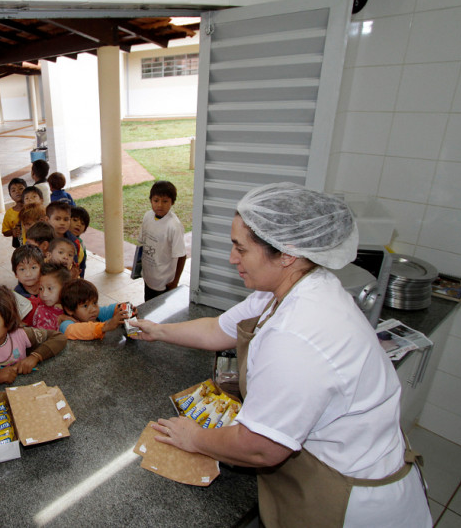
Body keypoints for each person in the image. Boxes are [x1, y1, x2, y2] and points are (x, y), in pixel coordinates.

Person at [131, 182, 431, 527]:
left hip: (350, 499)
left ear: (287, 253)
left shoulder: (298, 335)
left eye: (240, 249)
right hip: (322, 465)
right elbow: (219, 329)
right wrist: (160, 329)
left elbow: (260, 447)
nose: (232, 259)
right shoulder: (293, 283)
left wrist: (194, 437)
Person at [139, 181, 187, 302]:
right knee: (148, 305)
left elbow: (181, 255)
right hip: (148, 277)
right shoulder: (147, 216)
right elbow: (142, 244)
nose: (159, 205)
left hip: (163, 283)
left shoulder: (174, 226)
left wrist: (175, 282)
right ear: (150, 200)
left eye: (165, 201)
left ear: (172, 202)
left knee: (159, 315)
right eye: (156, 200)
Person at [58, 279, 131, 341]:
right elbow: (72, 330)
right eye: (85, 306)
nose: (93, 309)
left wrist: (125, 309)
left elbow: (110, 309)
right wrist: (105, 326)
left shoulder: (95, 314)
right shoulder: (66, 324)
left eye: (94, 303)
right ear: (69, 310)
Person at [31, 263, 71, 330]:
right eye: (41, 288)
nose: (44, 294)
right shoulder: (42, 311)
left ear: (65, 287)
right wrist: (58, 321)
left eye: (50, 288)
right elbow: (43, 336)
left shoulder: (73, 305)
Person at [2, 178, 27, 248]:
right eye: (13, 190)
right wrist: (13, 232)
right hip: (19, 245)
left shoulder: (32, 208)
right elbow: (5, 231)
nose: (17, 192)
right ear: (10, 195)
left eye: (21, 188)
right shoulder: (9, 213)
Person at [70, 205, 90, 278]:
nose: (78, 224)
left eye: (82, 223)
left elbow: (82, 265)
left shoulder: (80, 244)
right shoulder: (61, 238)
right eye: (75, 220)